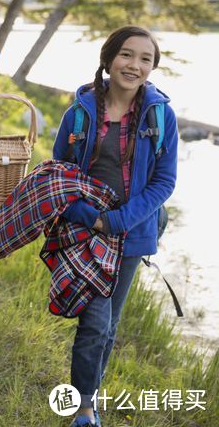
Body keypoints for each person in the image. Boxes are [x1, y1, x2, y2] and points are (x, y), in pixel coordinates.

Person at [52, 26, 178, 426]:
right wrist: (89, 217)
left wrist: (117, 220)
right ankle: (84, 410)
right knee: (94, 323)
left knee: (109, 326)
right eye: (127, 55)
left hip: (133, 232)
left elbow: (165, 181)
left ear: (152, 67)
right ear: (108, 59)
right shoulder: (81, 111)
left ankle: (89, 397)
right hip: (85, 232)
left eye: (145, 59)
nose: (135, 65)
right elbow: (60, 172)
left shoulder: (161, 115)